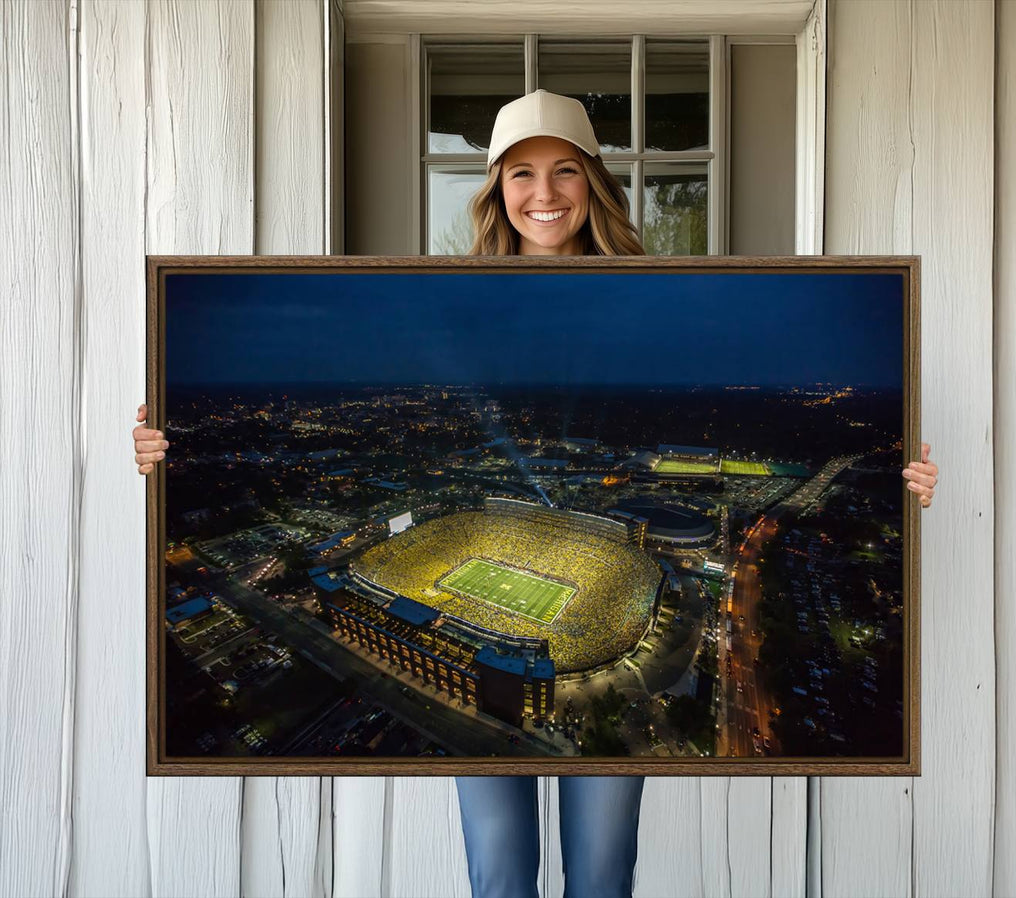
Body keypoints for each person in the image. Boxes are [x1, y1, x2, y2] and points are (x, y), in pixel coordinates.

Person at [132, 90, 940, 898]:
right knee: (500, 871)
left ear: (594, 182)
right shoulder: (457, 291)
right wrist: (164, 449)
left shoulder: (652, 290)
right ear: (495, 188)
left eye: (565, 172)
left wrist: (903, 484)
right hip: (494, 650)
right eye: (522, 173)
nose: (544, 194)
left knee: (600, 870)